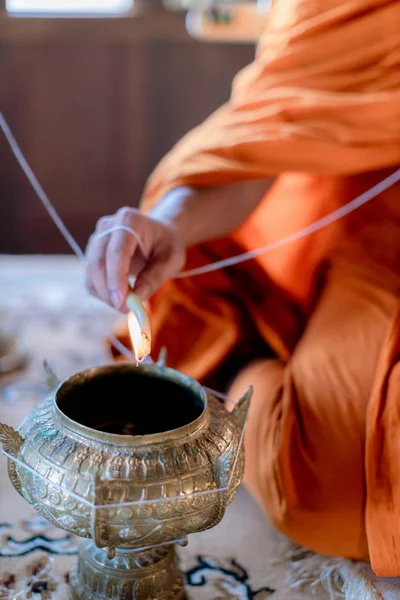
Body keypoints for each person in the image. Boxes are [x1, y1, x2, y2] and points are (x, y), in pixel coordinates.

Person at [85, 0, 400, 577]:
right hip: (382, 235)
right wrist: (172, 225)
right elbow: (272, 134)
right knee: (334, 495)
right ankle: (238, 367)